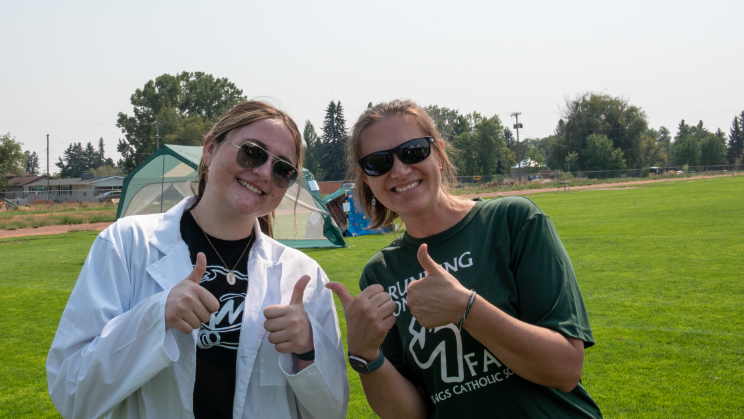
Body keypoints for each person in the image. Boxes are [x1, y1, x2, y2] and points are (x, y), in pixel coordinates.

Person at [47, 101, 349, 419]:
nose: (263, 173)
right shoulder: (126, 245)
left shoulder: (303, 275)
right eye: (253, 152)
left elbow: (333, 411)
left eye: (282, 170)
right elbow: (71, 393)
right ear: (209, 150)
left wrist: (307, 350)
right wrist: (156, 316)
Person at [326, 100, 602, 418]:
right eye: (378, 162)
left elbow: (565, 369)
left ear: (439, 155)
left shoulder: (513, 221)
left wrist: (465, 308)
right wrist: (365, 354)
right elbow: (412, 414)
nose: (399, 170)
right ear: (367, 179)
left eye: (413, 151)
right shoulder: (380, 274)